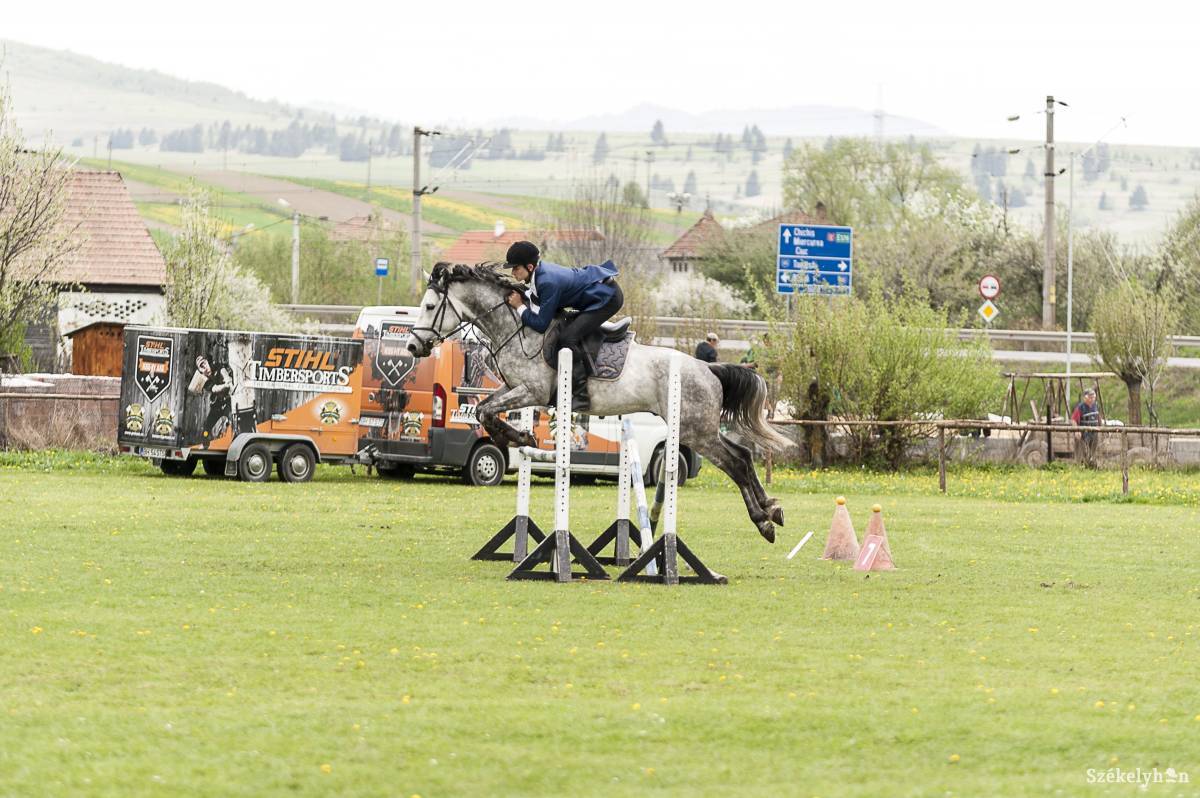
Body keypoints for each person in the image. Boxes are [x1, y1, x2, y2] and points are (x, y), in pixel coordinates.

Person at [503, 240, 622, 411]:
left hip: (607, 299)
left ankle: (581, 394)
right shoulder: (539, 273)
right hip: (594, 293)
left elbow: (541, 325)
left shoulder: (547, 282)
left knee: (568, 337)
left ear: (529, 267)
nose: (513, 272)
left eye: (516, 268)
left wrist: (519, 306)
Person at [1071, 388, 1102, 464]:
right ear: (1085, 398)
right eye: (1090, 397)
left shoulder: (1096, 406)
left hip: (1094, 432)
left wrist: (1101, 426)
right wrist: (1077, 431)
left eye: (1093, 397)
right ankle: (1079, 465)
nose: (1092, 399)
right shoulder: (1080, 407)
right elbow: (1073, 420)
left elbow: (1098, 417)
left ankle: (1091, 463)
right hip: (1083, 433)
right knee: (1082, 451)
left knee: (1093, 451)